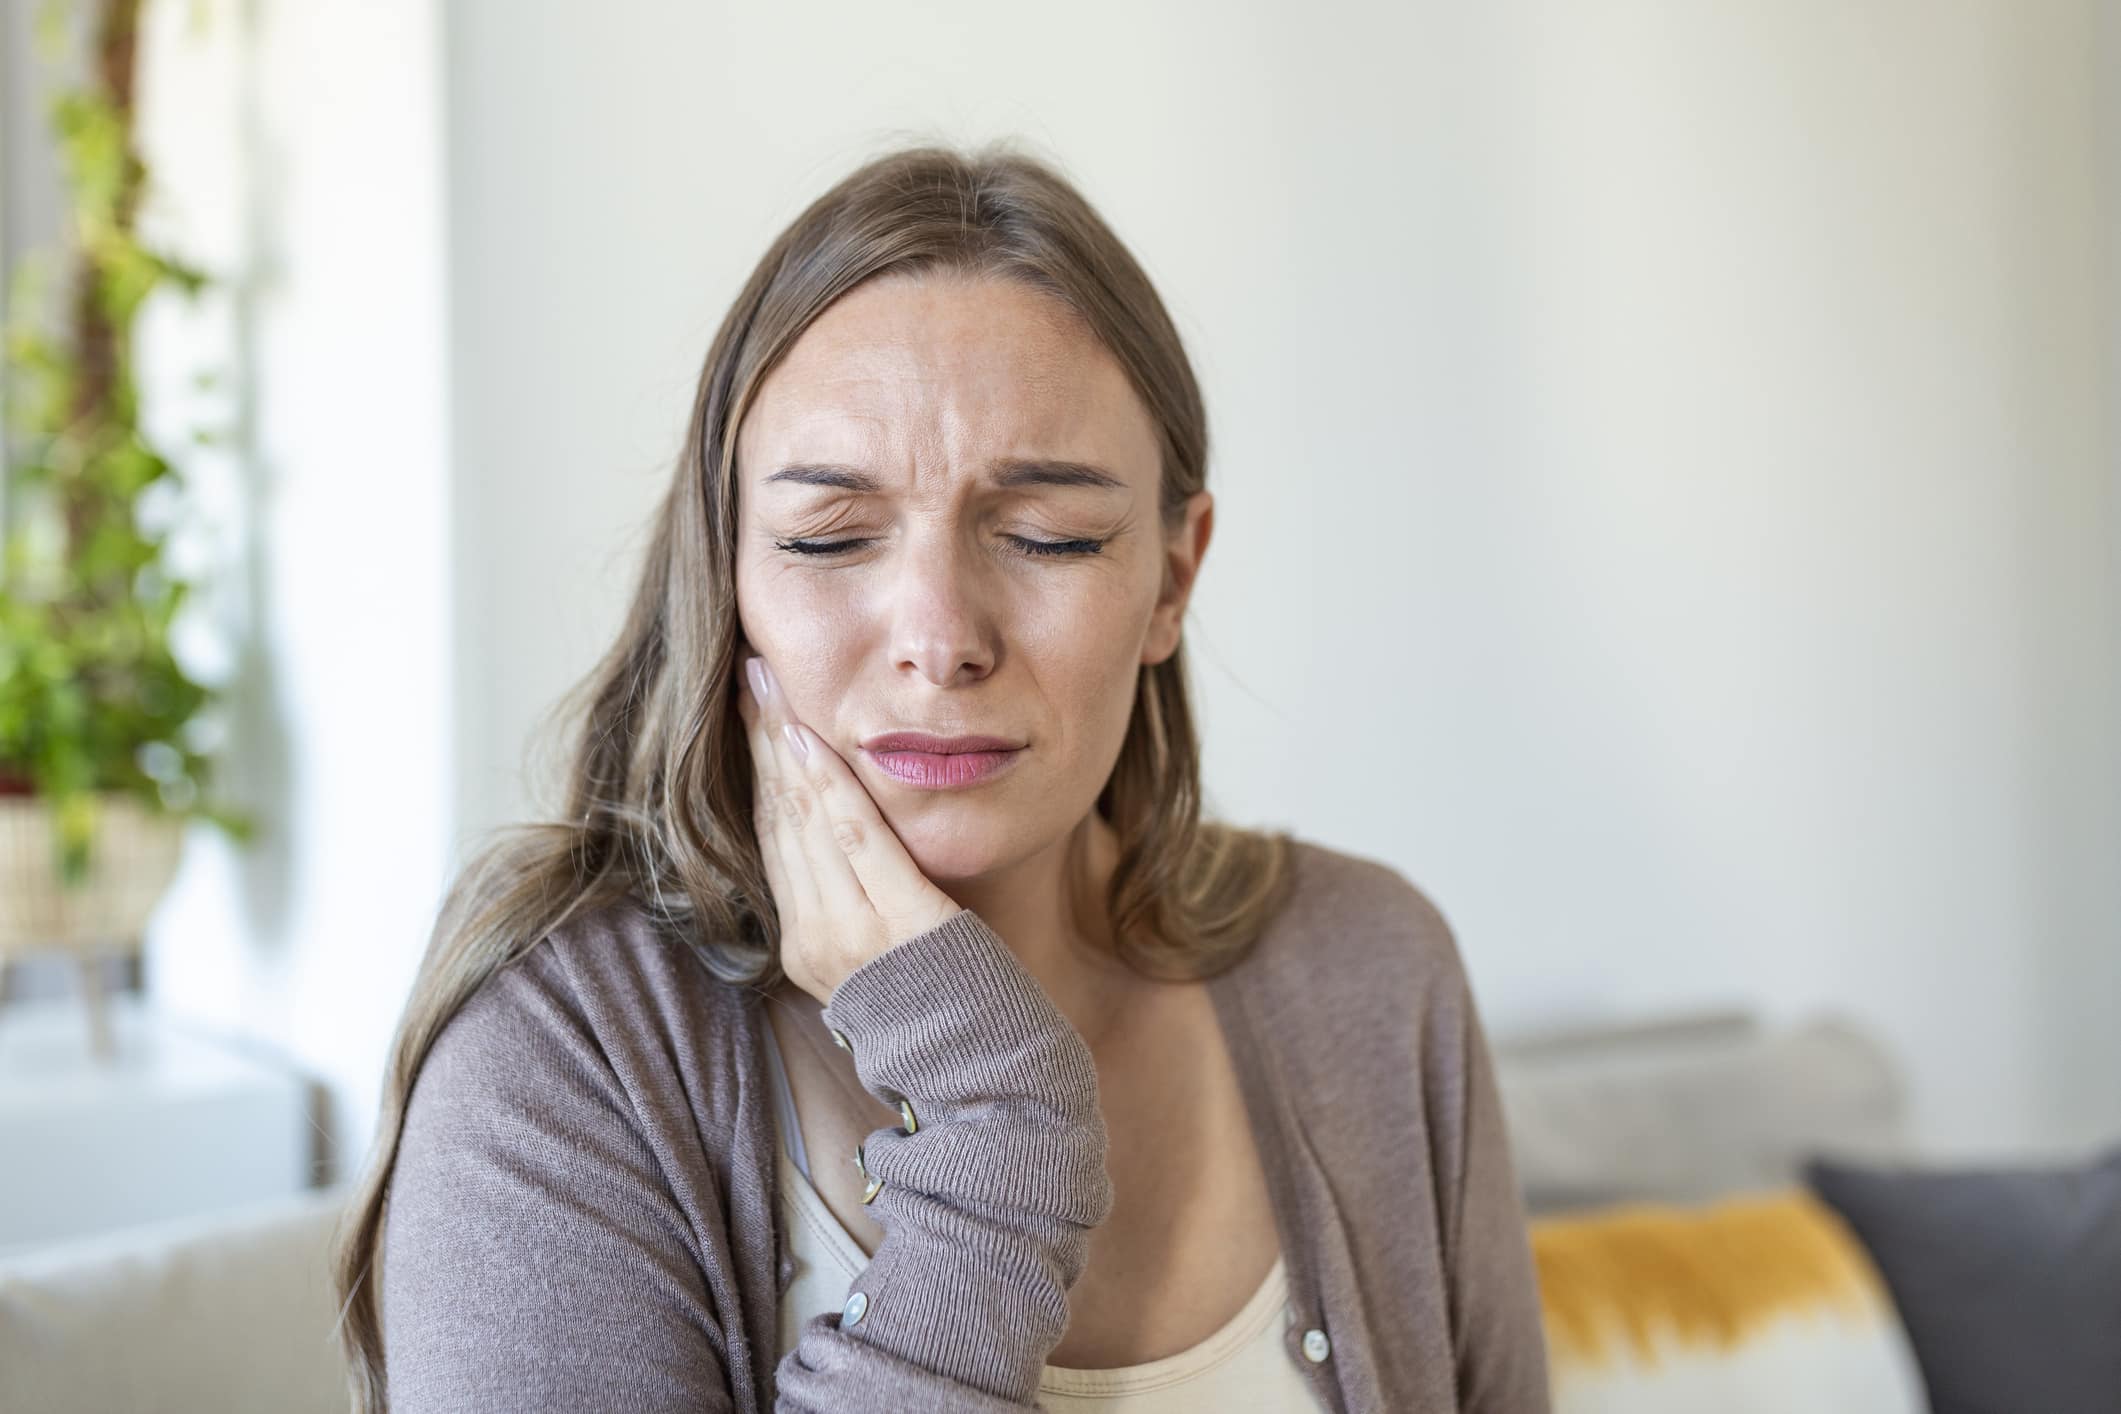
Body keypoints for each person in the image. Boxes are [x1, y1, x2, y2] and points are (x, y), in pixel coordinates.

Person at [330, 139, 1552, 1413]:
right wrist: (997, 1123)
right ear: (730, 573)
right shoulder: (563, 1051)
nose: (939, 635)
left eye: (1047, 535)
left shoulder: (1371, 967)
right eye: (830, 537)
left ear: (1173, 578)